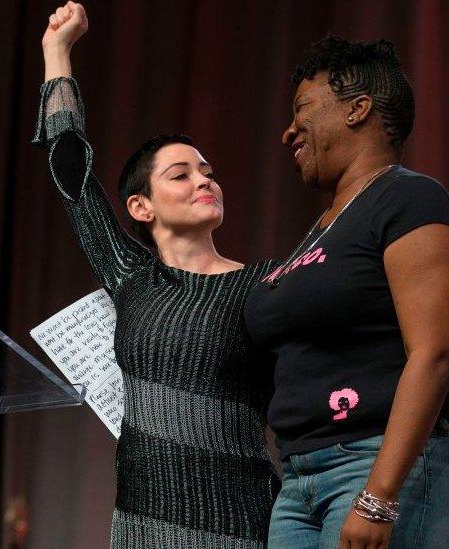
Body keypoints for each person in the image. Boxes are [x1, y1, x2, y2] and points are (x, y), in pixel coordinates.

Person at [33, 3, 279, 548]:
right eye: (182, 174)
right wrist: (57, 52)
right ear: (141, 207)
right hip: (143, 521)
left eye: (208, 173)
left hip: (242, 522)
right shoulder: (131, 276)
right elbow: (70, 170)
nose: (204, 181)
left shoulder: (264, 283)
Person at [244, 35, 449, 548]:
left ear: (358, 110)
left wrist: (379, 496)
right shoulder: (323, 229)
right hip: (301, 482)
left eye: (303, 109)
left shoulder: (410, 200)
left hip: (384, 468)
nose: (289, 131)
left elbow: (437, 352)